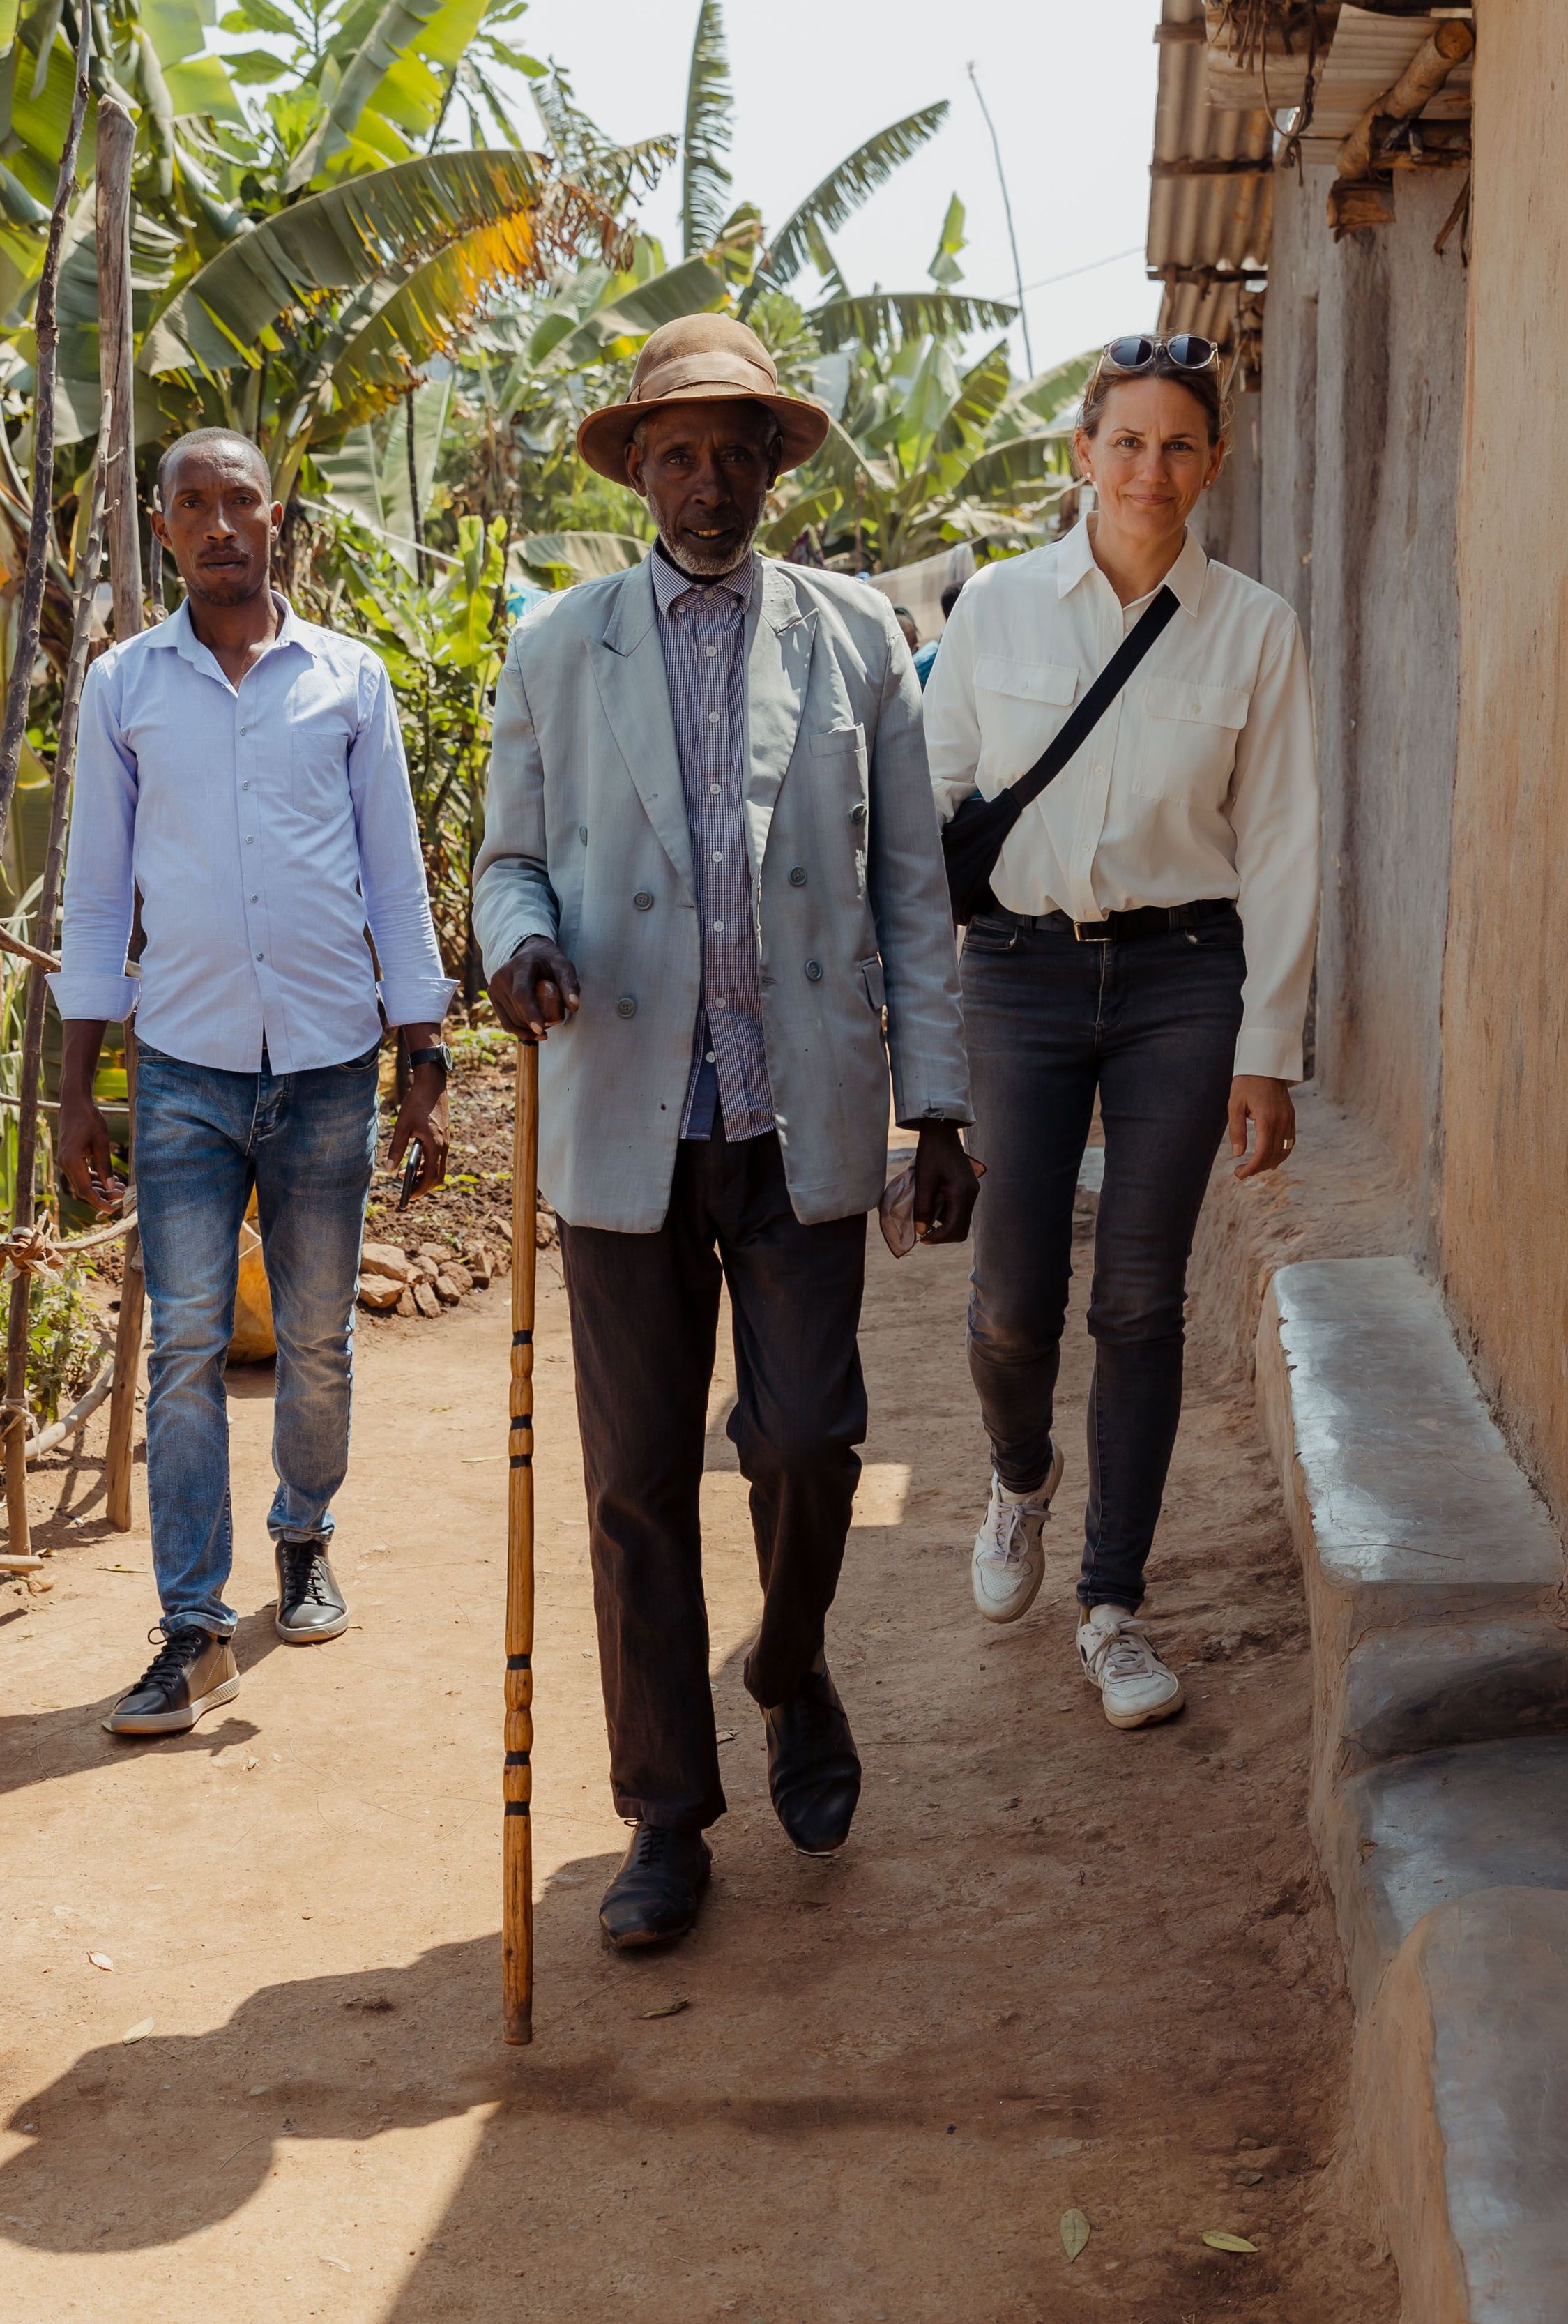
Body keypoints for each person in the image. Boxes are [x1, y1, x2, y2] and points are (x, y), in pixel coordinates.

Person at [475, 314, 978, 1952]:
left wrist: (942, 1101)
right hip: (624, 1106)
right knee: (631, 1484)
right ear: (638, 470)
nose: (706, 482)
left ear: (774, 462)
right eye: (675, 453)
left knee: (806, 1438)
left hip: (794, 1106)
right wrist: (518, 946)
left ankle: (787, 1661)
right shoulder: (558, 650)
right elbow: (509, 859)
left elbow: (912, 882)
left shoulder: (854, 642)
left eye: (732, 450)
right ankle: (664, 1820)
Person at [921, 333, 1318, 1729]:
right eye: (1127, 440)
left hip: (1182, 979)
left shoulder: (1256, 630)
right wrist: (917, 1048)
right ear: (1080, 454)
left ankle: (1112, 1603)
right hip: (1019, 977)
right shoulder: (995, 612)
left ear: (1212, 466)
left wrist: (1266, 1042)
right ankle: (1018, 1473)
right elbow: (930, 814)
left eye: (1179, 445)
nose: (1151, 468)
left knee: (1141, 1294)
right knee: (1012, 1294)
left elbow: (1278, 845)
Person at [54, 427, 455, 1738]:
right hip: (181, 1066)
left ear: (275, 516)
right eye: (193, 506)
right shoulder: (125, 688)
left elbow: (393, 875)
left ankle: (304, 1530)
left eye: (240, 501)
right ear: (163, 528)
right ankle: (190, 1625)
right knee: (180, 1346)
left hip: (332, 1063)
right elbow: (101, 890)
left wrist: (425, 1060)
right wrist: (77, 1086)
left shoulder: (350, 680)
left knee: (320, 1339)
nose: (219, 524)